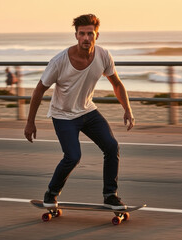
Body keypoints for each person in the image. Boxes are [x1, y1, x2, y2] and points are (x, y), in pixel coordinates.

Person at [24, 14, 135, 210]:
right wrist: (30, 122)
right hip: (63, 115)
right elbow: (39, 90)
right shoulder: (59, 61)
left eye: (90, 34)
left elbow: (117, 83)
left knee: (111, 147)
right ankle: (51, 193)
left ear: (96, 35)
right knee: (73, 157)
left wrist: (127, 109)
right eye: (82, 34)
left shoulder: (103, 56)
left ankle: (110, 195)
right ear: (76, 35)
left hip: (88, 111)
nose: (86, 38)